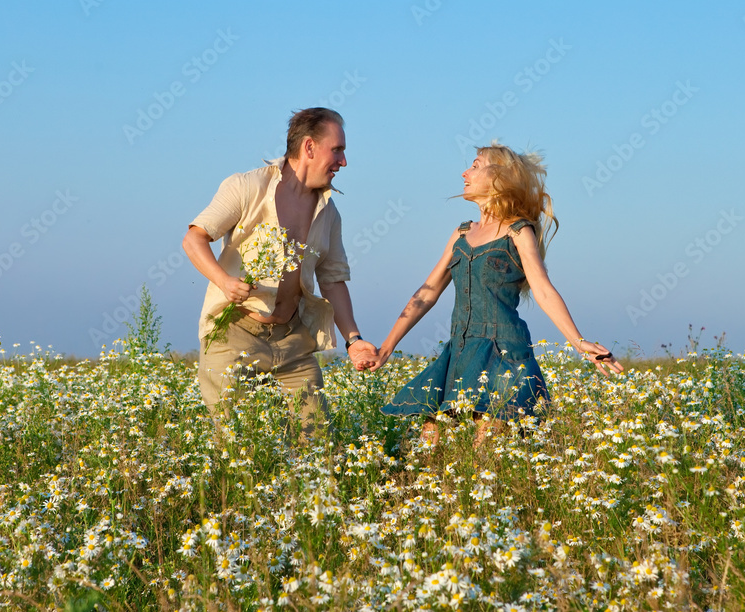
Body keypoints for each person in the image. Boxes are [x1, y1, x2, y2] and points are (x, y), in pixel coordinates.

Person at [368, 143, 623, 446]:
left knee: (486, 444)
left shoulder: (518, 231)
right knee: (430, 441)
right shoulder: (461, 234)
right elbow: (427, 292)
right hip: (460, 351)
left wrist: (578, 342)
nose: (465, 172)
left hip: (503, 351)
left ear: (500, 176)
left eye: (475, 165)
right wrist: (386, 347)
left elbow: (542, 289)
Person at [183, 107, 378, 435]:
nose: (343, 162)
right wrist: (224, 282)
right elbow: (194, 239)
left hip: (293, 341)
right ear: (310, 148)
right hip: (234, 335)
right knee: (236, 444)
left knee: (316, 441)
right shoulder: (246, 187)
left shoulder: (329, 212)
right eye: (338, 150)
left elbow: (333, 281)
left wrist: (353, 340)